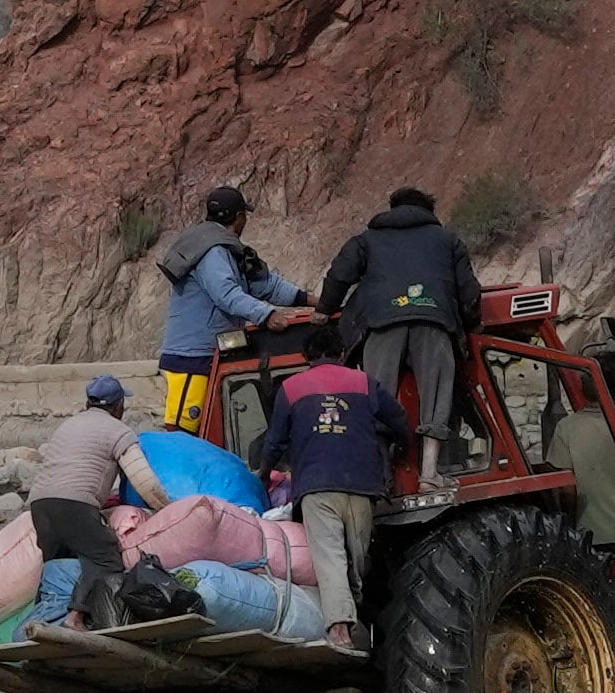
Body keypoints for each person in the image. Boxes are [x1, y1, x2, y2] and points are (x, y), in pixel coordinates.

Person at [318, 184, 485, 487]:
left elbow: (340, 273)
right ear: (428, 211)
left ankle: (381, 477)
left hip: (382, 323)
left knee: (377, 398)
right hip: (434, 321)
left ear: (392, 208)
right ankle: (430, 473)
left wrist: (324, 309)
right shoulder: (448, 240)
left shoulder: (367, 239)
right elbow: (469, 290)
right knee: (437, 394)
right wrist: (472, 323)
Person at [260, 336, 393, 634]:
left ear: (307, 356)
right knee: (358, 557)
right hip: (362, 485)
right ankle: (353, 614)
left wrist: (264, 473)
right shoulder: (364, 382)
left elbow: (274, 441)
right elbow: (396, 419)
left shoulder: (291, 388)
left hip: (316, 487)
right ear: (342, 353)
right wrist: (400, 448)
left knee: (330, 555)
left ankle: (340, 628)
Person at [151, 186, 286, 431]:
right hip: (192, 359)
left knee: (213, 428)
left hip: (213, 356)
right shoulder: (213, 253)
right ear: (238, 218)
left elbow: (267, 286)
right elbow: (227, 294)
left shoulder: (227, 250)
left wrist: (315, 300)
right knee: (183, 432)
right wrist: (266, 315)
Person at [13, 374, 134, 632]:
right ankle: (76, 617)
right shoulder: (119, 431)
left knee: (57, 567)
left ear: (88, 404)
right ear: (118, 407)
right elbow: (144, 480)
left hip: (40, 505)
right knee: (106, 560)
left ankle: (37, 624)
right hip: (74, 505)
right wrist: (165, 506)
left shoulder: (68, 425)